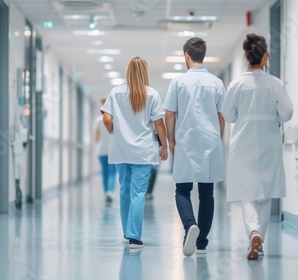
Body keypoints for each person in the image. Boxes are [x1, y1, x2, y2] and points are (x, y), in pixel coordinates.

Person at [221, 33, 293, 260]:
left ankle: (253, 232)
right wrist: (275, 116)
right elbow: (287, 112)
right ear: (265, 57)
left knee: (247, 192)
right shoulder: (275, 83)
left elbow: (227, 114)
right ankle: (259, 236)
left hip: (243, 142)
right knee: (266, 192)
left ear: (246, 56)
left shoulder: (236, 84)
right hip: (268, 139)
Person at [164, 37, 226, 257]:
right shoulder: (217, 83)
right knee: (207, 193)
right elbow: (221, 117)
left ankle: (190, 224)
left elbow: (170, 113)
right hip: (211, 141)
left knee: (182, 189)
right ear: (203, 56)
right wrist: (218, 139)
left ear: (186, 56)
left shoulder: (178, 83)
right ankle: (201, 243)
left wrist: (170, 139)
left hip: (186, 140)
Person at [101, 57, 168, 249]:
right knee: (138, 192)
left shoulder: (115, 92)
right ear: (145, 72)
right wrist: (165, 145)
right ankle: (134, 236)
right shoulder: (152, 94)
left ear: (128, 72)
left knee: (124, 190)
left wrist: (117, 133)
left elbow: (106, 120)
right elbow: (159, 124)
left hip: (121, 150)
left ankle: (127, 231)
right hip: (143, 151)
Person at [94, 97, 117, 202]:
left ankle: (106, 191)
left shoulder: (98, 120)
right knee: (113, 172)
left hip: (101, 150)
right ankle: (110, 191)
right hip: (114, 149)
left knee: (105, 172)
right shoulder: (115, 119)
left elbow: (96, 137)